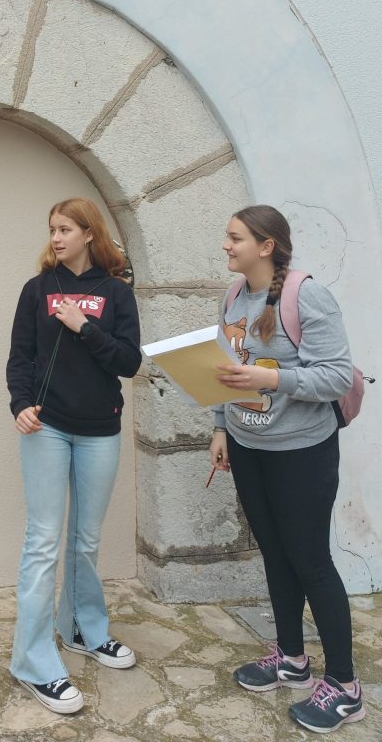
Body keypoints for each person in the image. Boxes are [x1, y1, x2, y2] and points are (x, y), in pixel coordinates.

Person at [210, 205, 365, 734]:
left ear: (266, 245)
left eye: (235, 238)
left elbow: (335, 376)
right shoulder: (233, 296)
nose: (226, 245)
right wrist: (220, 427)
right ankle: (292, 660)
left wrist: (272, 379)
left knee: (311, 562)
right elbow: (223, 368)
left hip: (302, 452)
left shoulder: (307, 296)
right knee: (276, 556)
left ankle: (344, 686)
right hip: (248, 446)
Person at [6, 197, 141, 714]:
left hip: (100, 430)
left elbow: (129, 361)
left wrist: (84, 327)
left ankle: (83, 628)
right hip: (47, 428)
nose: (56, 237)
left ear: (89, 233)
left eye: (65, 229)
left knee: (86, 540)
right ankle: (34, 662)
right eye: (52, 229)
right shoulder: (37, 290)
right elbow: (20, 357)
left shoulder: (116, 292)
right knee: (43, 542)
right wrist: (20, 404)